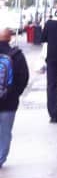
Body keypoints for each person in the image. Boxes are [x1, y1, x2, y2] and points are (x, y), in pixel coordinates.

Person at [0, 27, 30, 168]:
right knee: (5, 132)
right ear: (10, 38)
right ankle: (1, 158)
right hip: (9, 102)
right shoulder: (17, 55)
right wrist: (15, 94)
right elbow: (24, 77)